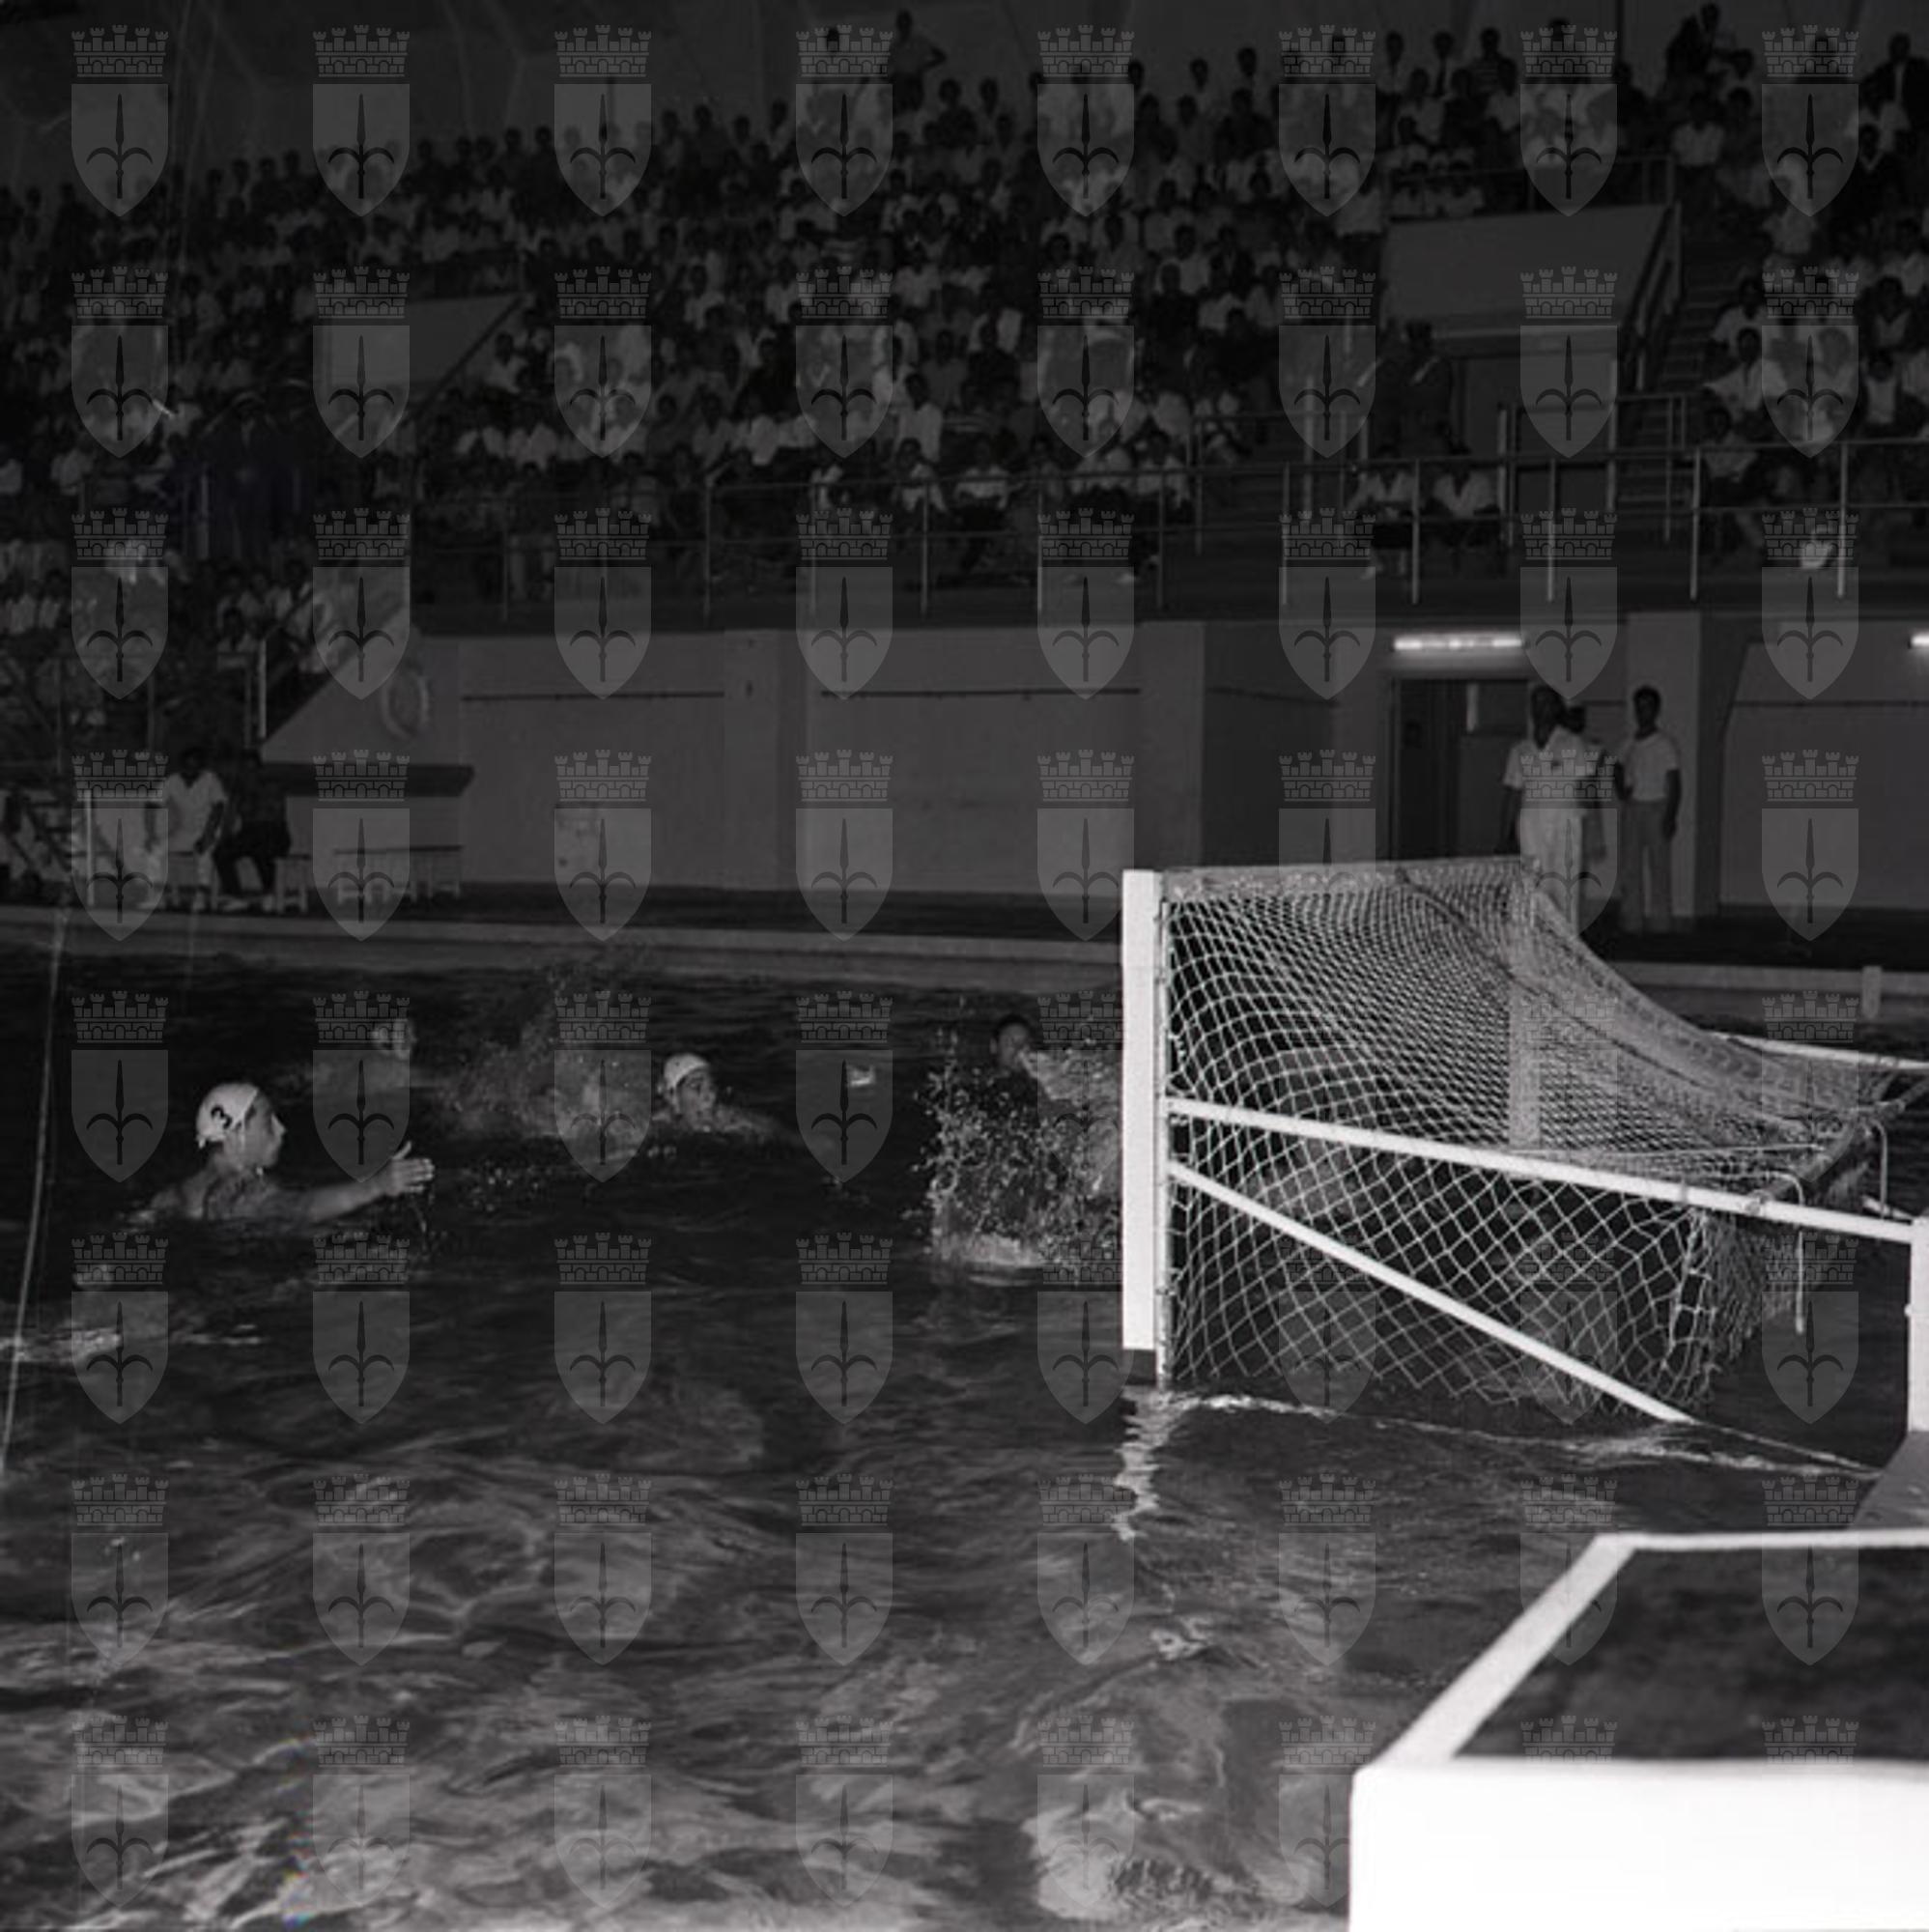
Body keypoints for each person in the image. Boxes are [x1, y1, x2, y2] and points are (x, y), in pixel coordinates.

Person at [143, 1082, 434, 1224]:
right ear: (235, 1134)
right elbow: (300, 1208)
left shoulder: (170, 1195)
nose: (281, 1129)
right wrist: (376, 1186)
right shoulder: (243, 1190)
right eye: (268, 1120)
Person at [1499, 686, 1594, 928]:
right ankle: (1535, 939)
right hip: (1531, 821)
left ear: (1556, 708)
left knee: (1566, 884)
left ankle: (1567, 942)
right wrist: (1504, 834)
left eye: (1546, 703)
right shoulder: (1520, 749)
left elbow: (1587, 787)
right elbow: (1512, 792)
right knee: (1533, 883)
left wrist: (1591, 829)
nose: (1540, 709)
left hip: (1566, 819)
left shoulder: (1573, 743)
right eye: (1536, 703)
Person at [1613, 686, 1683, 937]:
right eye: (1639, 708)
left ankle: (1661, 923)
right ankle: (1632, 921)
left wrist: (1670, 815)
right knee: (1630, 867)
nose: (1643, 713)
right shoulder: (1628, 743)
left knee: (1659, 867)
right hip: (1633, 808)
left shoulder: (1665, 744)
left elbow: (1674, 781)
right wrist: (1621, 790)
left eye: (1648, 708)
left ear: (1656, 710)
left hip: (1657, 806)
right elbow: (1616, 767)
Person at [213, 750, 291, 908]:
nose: (249, 774)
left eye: (252, 769)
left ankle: (269, 892)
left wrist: (254, 798)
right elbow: (229, 818)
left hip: (274, 832)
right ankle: (236, 896)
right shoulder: (238, 790)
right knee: (220, 853)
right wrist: (223, 838)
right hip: (249, 833)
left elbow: (275, 816)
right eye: (245, 769)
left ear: (259, 769)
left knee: (261, 847)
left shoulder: (272, 786)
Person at [652, 1053, 785, 1144]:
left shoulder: (732, 1121)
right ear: (673, 1098)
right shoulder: (657, 1126)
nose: (710, 1096)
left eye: (711, 1087)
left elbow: (779, 1131)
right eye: (697, 1087)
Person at [161, 746, 227, 905]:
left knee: (205, 852)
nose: (191, 770)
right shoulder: (172, 781)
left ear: (201, 766)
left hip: (209, 829)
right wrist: (151, 834)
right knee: (156, 849)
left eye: (195, 766)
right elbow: (152, 804)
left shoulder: (210, 779)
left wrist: (208, 835)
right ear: (181, 766)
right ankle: (159, 894)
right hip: (184, 831)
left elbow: (219, 808)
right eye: (187, 765)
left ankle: (202, 893)